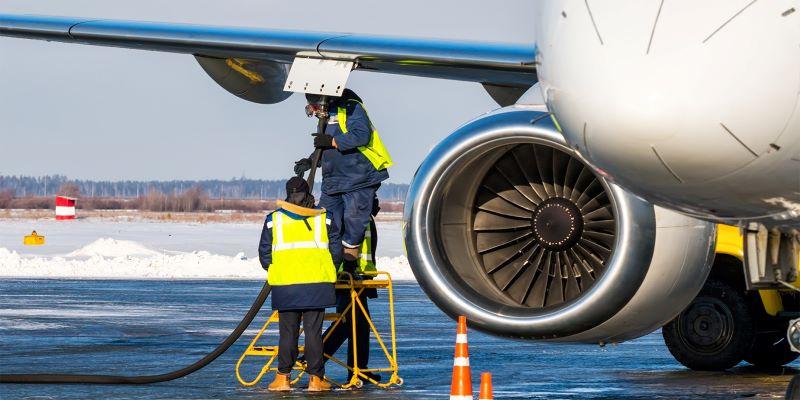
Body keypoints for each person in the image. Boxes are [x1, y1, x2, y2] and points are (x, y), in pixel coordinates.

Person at [295, 89, 391, 382]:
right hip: (343, 273)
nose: (312, 112)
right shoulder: (326, 118)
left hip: (353, 274)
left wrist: (332, 141)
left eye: (312, 107)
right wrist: (312, 160)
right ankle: (351, 369)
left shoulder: (350, 109)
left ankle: (326, 362)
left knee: (355, 319)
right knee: (355, 320)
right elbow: (328, 151)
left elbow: (360, 137)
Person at [258, 177, 338, 392]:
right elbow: (336, 252)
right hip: (317, 284)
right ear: (308, 193)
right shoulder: (325, 218)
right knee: (313, 334)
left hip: (286, 286)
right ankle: (315, 380)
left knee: (287, 334)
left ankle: (282, 378)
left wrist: (277, 270)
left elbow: (264, 254)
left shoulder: (273, 220)